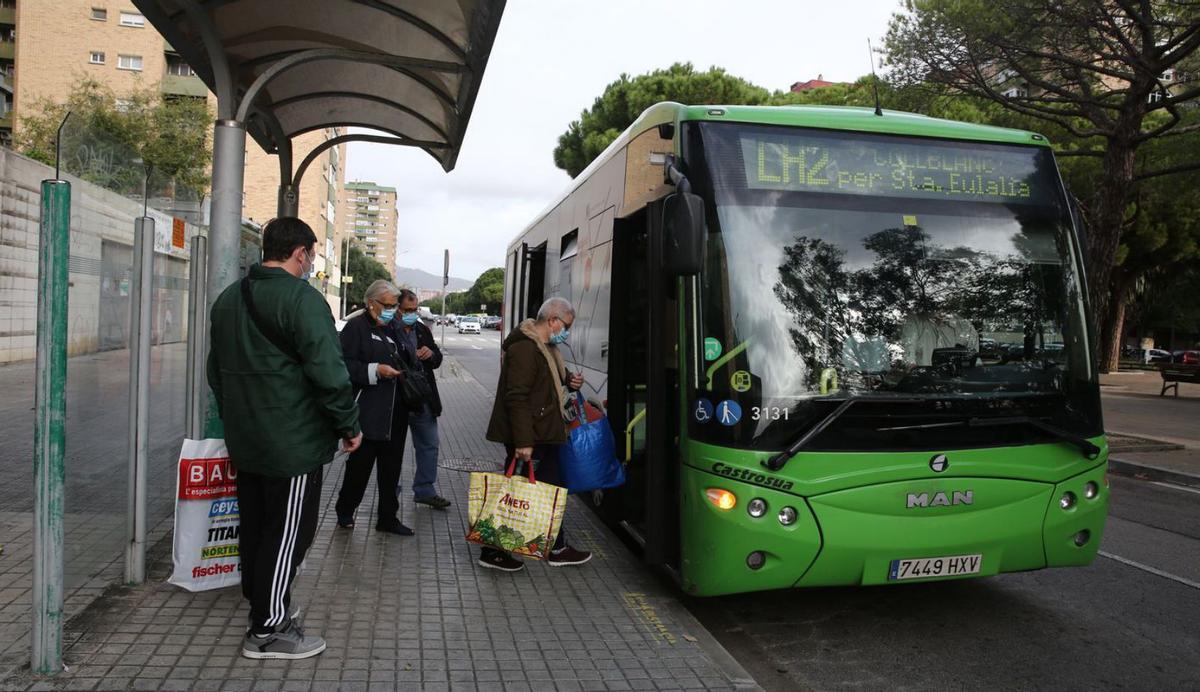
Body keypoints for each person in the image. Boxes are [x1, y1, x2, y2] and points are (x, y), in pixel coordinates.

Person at [207, 217, 362, 660]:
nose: (311, 262)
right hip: (291, 443)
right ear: (301, 253)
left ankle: (265, 604)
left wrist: (239, 418)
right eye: (311, 255)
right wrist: (349, 425)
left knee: (256, 528)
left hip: (247, 439)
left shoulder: (228, 299)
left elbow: (215, 372)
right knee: (288, 533)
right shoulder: (304, 302)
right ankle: (268, 629)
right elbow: (329, 376)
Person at [479, 296, 592, 572]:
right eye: (566, 325)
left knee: (550, 490)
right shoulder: (525, 349)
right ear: (552, 320)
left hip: (544, 433)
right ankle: (492, 550)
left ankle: (556, 547)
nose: (567, 332)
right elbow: (516, 398)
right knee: (513, 493)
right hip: (531, 436)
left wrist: (569, 381)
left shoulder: (546, 348)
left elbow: (545, 383)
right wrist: (524, 442)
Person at [335, 280, 416, 536]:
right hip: (368, 411)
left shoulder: (395, 328)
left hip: (396, 411)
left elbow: (408, 358)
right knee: (360, 468)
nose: (393, 310)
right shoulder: (355, 327)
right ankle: (346, 510)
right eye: (389, 305)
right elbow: (342, 366)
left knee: (391, 470)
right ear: (371, 303)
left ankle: (388, 517)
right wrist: (375, 371)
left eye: (395, 306)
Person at [393, 289, 452, 509]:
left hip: (422, 399)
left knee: (429, 445)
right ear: (397, 309)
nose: (412, 313)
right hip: (398, 398)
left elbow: (437, 358)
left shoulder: (420, 329)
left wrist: (431, 353)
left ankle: (425, 490)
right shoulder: (389, 330)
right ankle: (391, 491)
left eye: (415, 309)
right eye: (407, 310)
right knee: (393, 448)